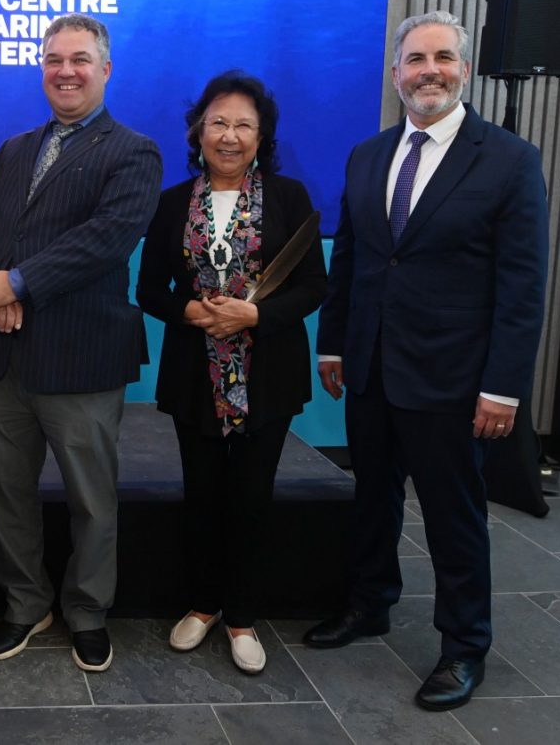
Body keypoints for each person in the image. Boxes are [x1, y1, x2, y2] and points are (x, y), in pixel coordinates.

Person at [306, 10, 548, 710]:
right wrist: (334, 340)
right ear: (396, 74)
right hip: (372, 368)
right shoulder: (367, 155)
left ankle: (465, 645)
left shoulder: (508, 159)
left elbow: (523, 285)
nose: (428, 71)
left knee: (453, 515)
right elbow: (351, 259)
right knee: (371, 498)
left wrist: (504, 388)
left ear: (464, 70)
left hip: (454, 380)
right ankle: (370, 603)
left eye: (443, 57)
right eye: (415, 59)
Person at [0, 13, 162, 673]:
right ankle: (25, 604)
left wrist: (18, 284)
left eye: (80, 59)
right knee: (6, 492)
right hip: (6, 356)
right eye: (53, 59)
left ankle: (86, 610)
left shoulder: (133, 151)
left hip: (82, 358)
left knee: (91, 500)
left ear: (105, 70)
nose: (65, 70)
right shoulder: (16, 147)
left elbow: (105, 239)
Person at [136, 71, 326, 673]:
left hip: (265, 375)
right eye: (218, 122)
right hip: (196, 376)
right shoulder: (172, 203)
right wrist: (190, 310)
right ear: (198, 132)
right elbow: (149, 289)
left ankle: (242, 616)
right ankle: (202, 605)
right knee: (202, 497)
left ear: (261, 135)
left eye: (243, 124)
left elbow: (315, 285)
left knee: (250, 500)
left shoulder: (291, 197)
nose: (229, 135)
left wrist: (257, 313)